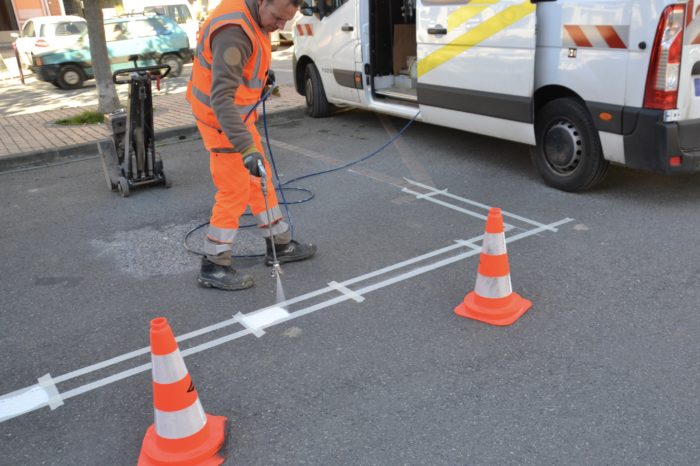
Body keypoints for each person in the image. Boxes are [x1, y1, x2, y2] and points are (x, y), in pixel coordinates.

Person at [187, 0, 315, 291]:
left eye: (287, 20)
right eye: (278, 17)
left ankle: (278, 244)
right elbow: (221, 99)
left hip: (237, 117)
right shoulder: (235, 32)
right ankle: (214, 264)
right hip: (222, 121)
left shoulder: (255, 16)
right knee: (235, 189)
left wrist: (260, 78)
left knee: (261, 177)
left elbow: (242, 67)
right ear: (261, 1)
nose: (281, 26)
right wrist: (246, 148)